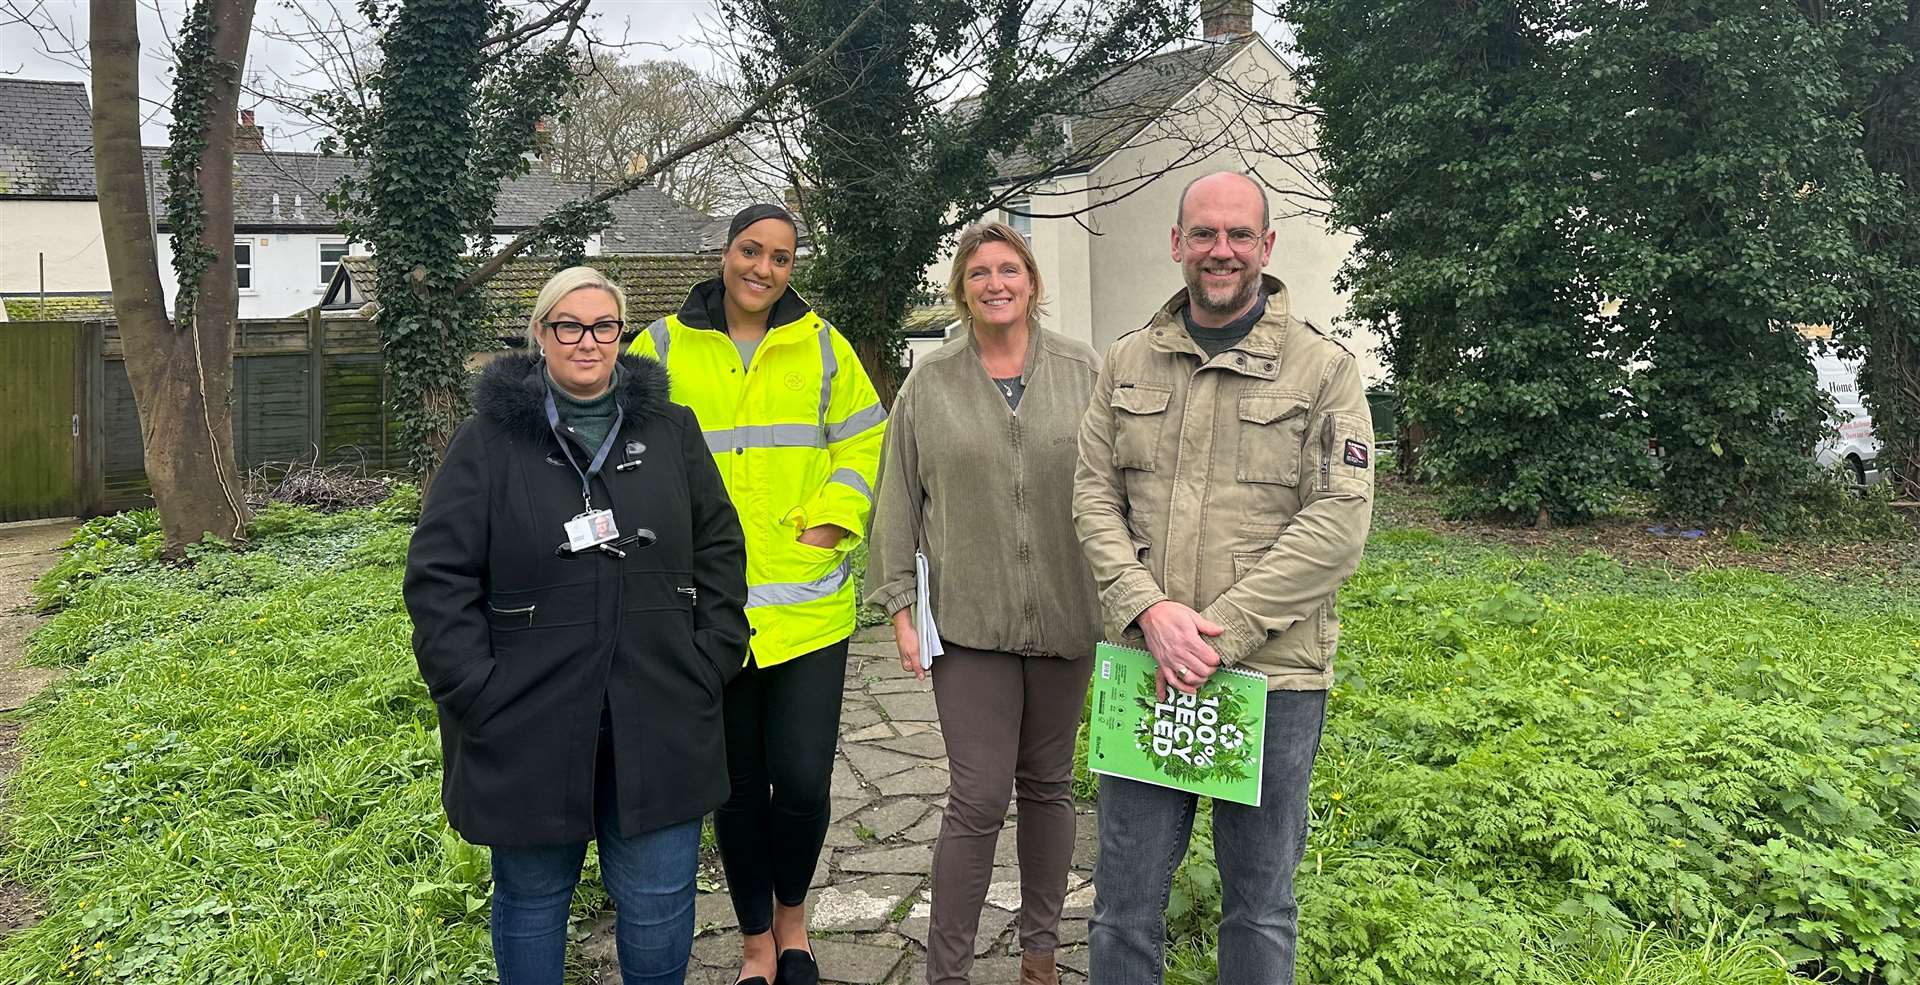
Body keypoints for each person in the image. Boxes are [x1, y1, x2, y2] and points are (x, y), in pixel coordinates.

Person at [404, 266, 750, 985]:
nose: (587, 341)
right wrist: (476, 688)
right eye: (569, 325)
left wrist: (711, 656)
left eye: (603, 326)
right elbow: (438, 578)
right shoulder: (487, 442)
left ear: (622, 336)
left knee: (658, 902)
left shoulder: (672, 429)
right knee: (531, 899)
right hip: (524, 713)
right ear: (540, 335)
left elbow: (721, 546)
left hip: (661, 701)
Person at [1073, 171, 1375, 984]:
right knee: (1124, 904)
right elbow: (1094, 499)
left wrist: (1215, 632)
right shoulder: (1126, 362)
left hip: (1271, 683)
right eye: (1204, 233)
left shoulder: (1322, 371)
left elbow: (1337, 526)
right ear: (1177, 244)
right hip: (1147, 672)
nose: (1221, 250)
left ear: (1266, 247)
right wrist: (1151, 613)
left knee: (1260, 905)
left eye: (1239, 234)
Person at [628, 204, 886, 985]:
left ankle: (794, 920)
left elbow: (864, 437)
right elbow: (621, 449)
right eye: (751, 250)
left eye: (780, 257)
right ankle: (754, 945)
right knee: (735, 788)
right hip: (704, 612)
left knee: (803, 781)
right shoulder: (660, 346)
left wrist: (833, 521)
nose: (763, 269)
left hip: (807, 609)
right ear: (725, 251)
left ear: (791, 267)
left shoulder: (823, 346)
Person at [866, 222, 1102, 985]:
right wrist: (902, 606)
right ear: (960, 290)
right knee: (976, 797)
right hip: (968, 624)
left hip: (1069, 615)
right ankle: (949, 973)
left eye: (1009, 270)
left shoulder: (1084, 371)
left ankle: (1041, 959)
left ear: (1031, 281)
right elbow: (897, 498)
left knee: (1048, 787)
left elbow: (1123, 484)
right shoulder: (929, 383)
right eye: (979, 273)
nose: (995, 283)